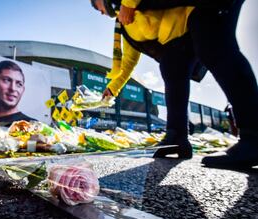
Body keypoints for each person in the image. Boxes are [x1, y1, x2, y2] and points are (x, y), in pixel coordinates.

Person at [91, 0, 258, 168]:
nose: (99, 11)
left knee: (214, 46)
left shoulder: (127, 7)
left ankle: (253, 136)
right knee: (171, 66)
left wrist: (128, 3)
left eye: (96, 4)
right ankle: (176, 137)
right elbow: (128, 62)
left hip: (198, 11)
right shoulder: (125, 24)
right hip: (181, 33)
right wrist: (112, 88)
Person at [0, 60, 36, 126]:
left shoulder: (32, 127)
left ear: (23, 90)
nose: (13, 88)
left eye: (19, 84)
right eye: (6, 80)